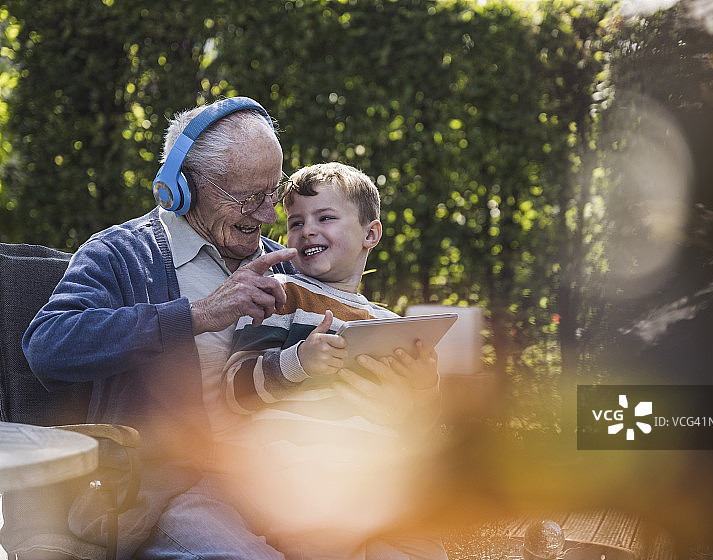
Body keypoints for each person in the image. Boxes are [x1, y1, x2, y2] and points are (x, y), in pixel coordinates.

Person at [21, 97, 441, 560]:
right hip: (178, 485)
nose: (266, 214)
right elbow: (48, 344)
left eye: (272, 193)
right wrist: (197, 314)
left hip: (282, 475)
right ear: (182, 187)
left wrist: (409, 388)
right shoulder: (124, 255)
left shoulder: (290, 264)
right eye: (247, 198)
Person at [221, 162, 447, 560]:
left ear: (370, 234)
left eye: (325, 217)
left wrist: (423, 388)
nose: (307, 230)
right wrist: (298, 362)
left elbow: (420, 429)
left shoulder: (388, 324)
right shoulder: (280, 295)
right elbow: (234, 391)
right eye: (295, 222)